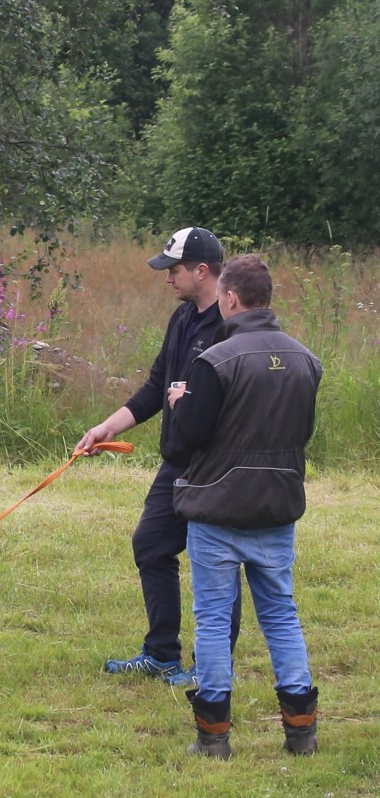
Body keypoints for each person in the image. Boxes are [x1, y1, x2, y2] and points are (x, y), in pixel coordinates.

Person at [166, 255, 321, 758]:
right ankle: (301, 731)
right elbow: (303, 433)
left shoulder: (216, 360)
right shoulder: (306, 360)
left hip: (217, 508)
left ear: (230, 298)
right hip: (277, 505)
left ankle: (214, 737)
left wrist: (179, 404)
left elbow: (188, 437)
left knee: (213, 619)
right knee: (281, 614)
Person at [76, 226, 242, 685]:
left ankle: (210, 668)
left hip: (215, 467)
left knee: (217, 565)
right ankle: (161, 654)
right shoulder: (182, 319)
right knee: (150, 544)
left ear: (202, 271)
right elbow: (155, 387)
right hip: (177, 463)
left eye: (174, 270)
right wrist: (107, 427)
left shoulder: (231, 325)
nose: (168, 279)